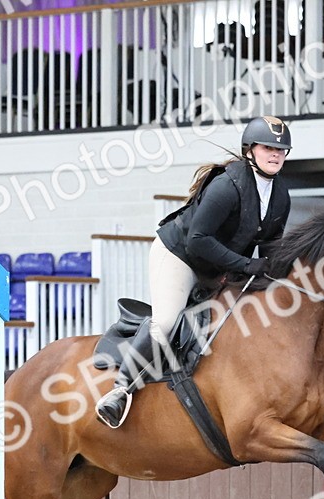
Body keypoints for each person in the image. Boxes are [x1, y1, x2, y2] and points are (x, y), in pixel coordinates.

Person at [95, 115, 293, 429]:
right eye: (268, 147)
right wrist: (244, 265)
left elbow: (270, 247)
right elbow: (198, 240)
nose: (275, 154)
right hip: (180, 255)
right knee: (167, 321)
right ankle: (120, 389)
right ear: (250, 150)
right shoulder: (227, 185)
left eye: (281, 150)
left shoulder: (280, 196)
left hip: (220, 266)